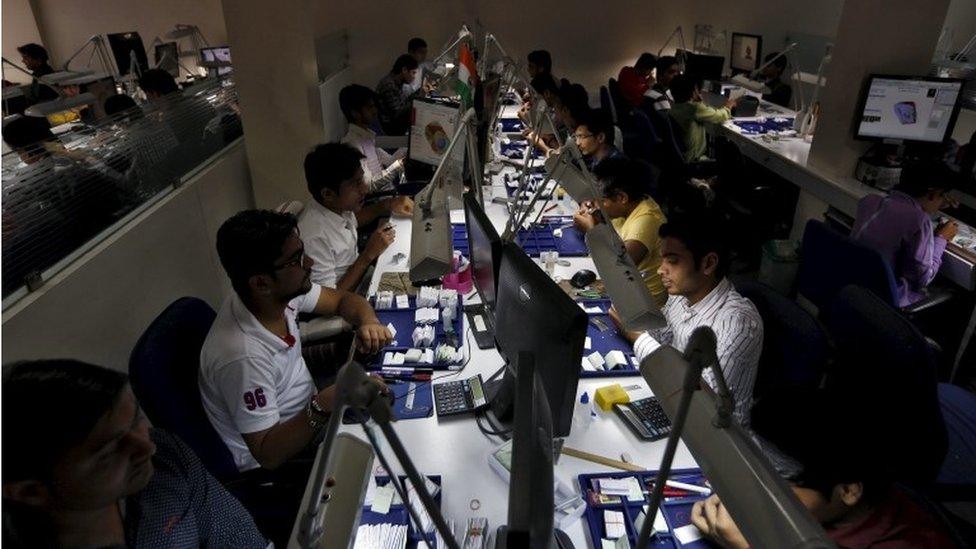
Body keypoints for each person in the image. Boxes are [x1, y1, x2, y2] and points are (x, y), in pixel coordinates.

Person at [199, 209, 392, 475]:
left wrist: (369, 321)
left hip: (309, 409)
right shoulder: (241, 356)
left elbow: (343, 301)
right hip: (286, 460)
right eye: (296, 260)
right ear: (261, 283)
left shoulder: (276, 294)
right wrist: (325, 403)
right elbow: (269, 453)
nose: (309, 263)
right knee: (390, 448)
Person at [2, 359, 268, 548]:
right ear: (31, 492)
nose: (146, 447)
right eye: (108, 449)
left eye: (136, 419)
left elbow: (239, 537)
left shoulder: (165, 458)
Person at [689, 392, 956, 548]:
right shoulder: (837, 510)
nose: (760, 489)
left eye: (780, 484)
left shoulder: (909, 543)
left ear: (849, 491)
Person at [611, 216, 762, 429]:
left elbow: (700, 401)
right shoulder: (683, 294)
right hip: (671, 401)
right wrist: (634, 314)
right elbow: (664, 335)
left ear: (708, 263)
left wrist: (637, 336)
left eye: (672, 261)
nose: (660, 270)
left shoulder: (738, 324)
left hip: (712, 432)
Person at [298, 142, 412, 291]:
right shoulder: (315, 237)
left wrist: (388, 204)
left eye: (362, 180)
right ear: (328, 194)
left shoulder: (334, 206)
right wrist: (368, 255)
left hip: (360, 275)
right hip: (345, 300)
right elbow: (329, 299)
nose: (365, 189)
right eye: (356, 184)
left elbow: (355, 220)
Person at [851, 159, 959, 307]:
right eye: (942, 195)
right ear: (932, 193)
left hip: (853, 286)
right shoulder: (920, 221)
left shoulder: (869, 202)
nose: (942, 201)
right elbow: (923, 278)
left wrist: (933, 204)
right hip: (886, 300)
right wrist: (941, 238)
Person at [573, 156, 668, 306]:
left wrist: (591, 230)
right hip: (622, 290)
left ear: (622, 197)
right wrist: (594, 212)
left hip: (639, 304)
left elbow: (618, 267)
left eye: (601, 199)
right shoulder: (629, 206)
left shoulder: (646, 221)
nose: (596, 204)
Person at [339, 84, 405, 192]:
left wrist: (410, 145)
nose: (375, 111)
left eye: (374, 106)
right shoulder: (351, 144)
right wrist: (398, 166)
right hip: (377, 199)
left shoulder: (367, 135)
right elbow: (369, 186)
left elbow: (389, 161)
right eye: (370, 108)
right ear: (355, 114)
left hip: (388, 190)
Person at [668, 74, 736, 162]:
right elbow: (720, 116)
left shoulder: (673, 107)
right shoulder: (695, 108)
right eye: (696, 89)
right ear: (693, 93)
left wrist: (699, 102)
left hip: (681, 156)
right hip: (695, 160)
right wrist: (728, 106)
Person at [376, 54, 426, 135]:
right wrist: (418, 99)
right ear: (404, 70)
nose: (414, 77)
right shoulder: (389, 85)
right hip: (391, 130)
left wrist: (419, 92)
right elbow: (398, 113)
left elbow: (404, 102)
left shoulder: (397, 82)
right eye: (413, 73)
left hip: (396, 125)